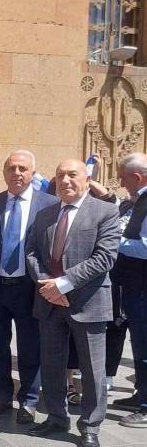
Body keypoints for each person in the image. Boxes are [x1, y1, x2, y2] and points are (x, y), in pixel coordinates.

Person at [25, 159, 120, 447]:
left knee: (92, 369)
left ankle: (90, 426)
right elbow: (31, 253)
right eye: (60, 175)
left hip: (88, 302)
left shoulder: (105, 211)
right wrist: (47, 286)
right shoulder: (45, 214)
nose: (65, 180)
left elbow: (105, 258)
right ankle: (56, 417)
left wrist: (63, 284)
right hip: (49, 302)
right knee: (52, 364)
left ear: (87, 179)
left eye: (72, 175)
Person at [0, 150, 58, 423]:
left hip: (30, 289)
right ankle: (3, 396)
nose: (17, 173)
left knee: (30, 347)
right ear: (4, 172)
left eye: (23, 168)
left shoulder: (49, 204)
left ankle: (29, 400)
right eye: (11, 168)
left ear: (32, 173)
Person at [112, 152, 147, 428]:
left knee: (145, 344)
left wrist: (113, 242)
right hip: (133, 285)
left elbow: (145, 247)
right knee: (138, 342)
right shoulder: (138, 201)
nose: (121, 183)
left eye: (124, 178)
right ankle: (140, 395)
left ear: (137, 177)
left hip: (143, 286)